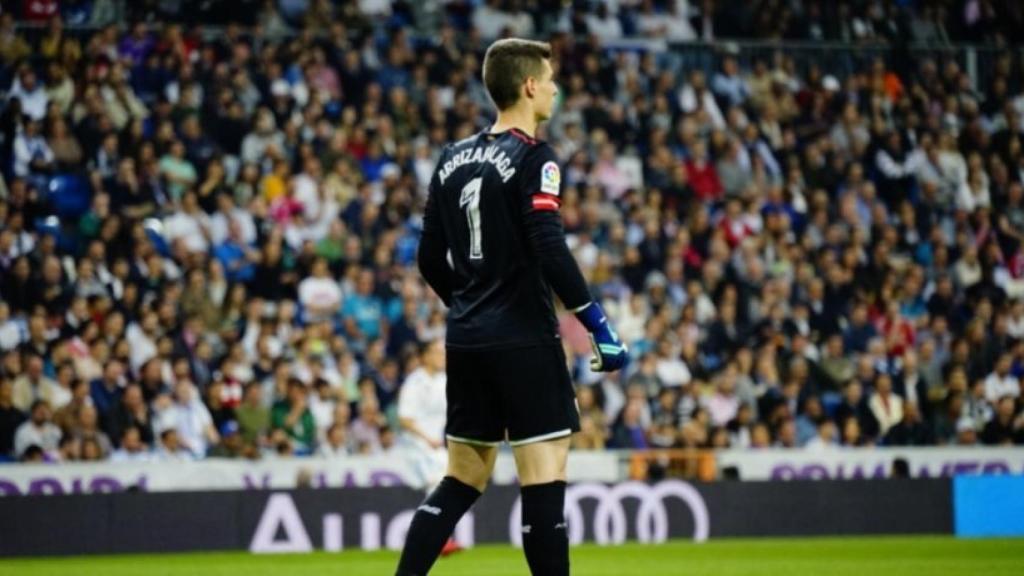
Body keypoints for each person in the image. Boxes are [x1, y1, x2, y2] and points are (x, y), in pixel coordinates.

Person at [396, 38, 628, 576]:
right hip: (524, 337)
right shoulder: (534, 156)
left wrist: (471, 305)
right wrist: (597, 325)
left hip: (468, 339)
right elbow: (549, 246)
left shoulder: (451, 158)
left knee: (461, 479)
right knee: (543, 480)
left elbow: (430, 257)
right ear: (528, 86)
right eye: (548, 80)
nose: (554, 88)